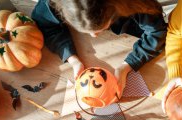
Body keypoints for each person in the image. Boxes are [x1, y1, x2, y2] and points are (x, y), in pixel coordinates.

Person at [31, 0, 167, 90]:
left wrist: (128, 66)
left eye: (99, 30)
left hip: (133, 30)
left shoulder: (136, 4)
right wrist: (73, 60)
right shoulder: (56, 2)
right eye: (86, 31)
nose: (94, 36)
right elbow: (44, 23)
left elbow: (158, 33)